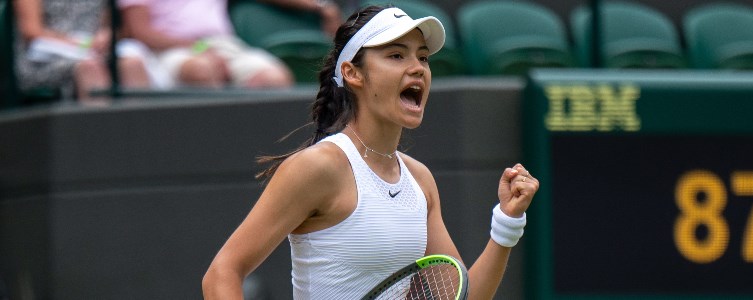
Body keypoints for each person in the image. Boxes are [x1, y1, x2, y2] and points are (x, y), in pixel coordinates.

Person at [202, 5, 539, 299]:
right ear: (353, 73)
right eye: (396, 55)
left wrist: (507, 224)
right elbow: (222, 273)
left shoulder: (420, 180)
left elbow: (461, 296)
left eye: (422, 57)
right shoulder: (320, 167)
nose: (418, 67)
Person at [118, 0, 341, 89]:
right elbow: (140, 31)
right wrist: (198, 49)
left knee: (273, 78)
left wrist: (320, 6)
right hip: (167, 50)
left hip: (224, 45)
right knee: (201, 71)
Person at [13, 0, 151, 102]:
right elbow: (31, 31)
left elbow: (112, 26)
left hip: (92, 51)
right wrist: (81, 44)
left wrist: (106, 36)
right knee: (90, 67)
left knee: (133, 65)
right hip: (42, 60)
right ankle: (100, 135)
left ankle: (139, 135)